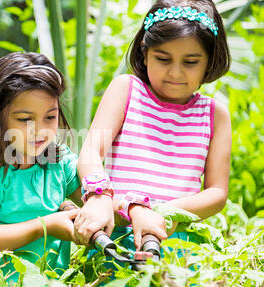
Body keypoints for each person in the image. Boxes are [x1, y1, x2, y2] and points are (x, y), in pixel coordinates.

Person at [74, 0, 232, 252]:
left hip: (176, 242)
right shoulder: (126, 90)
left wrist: (160, 213)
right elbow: (91, 152)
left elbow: (216, 192)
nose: (175, 73)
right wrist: (98, 195)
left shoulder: (214, 115)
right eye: (163, 58)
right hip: (114, 235)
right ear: (144, 53)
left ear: (209, 61)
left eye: (190, 62)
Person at [0, 52, 84, 287]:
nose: (41, 131)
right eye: (25, 119)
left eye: (50, 117)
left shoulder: (59, 162)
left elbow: (93, 198)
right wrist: (44, 226)